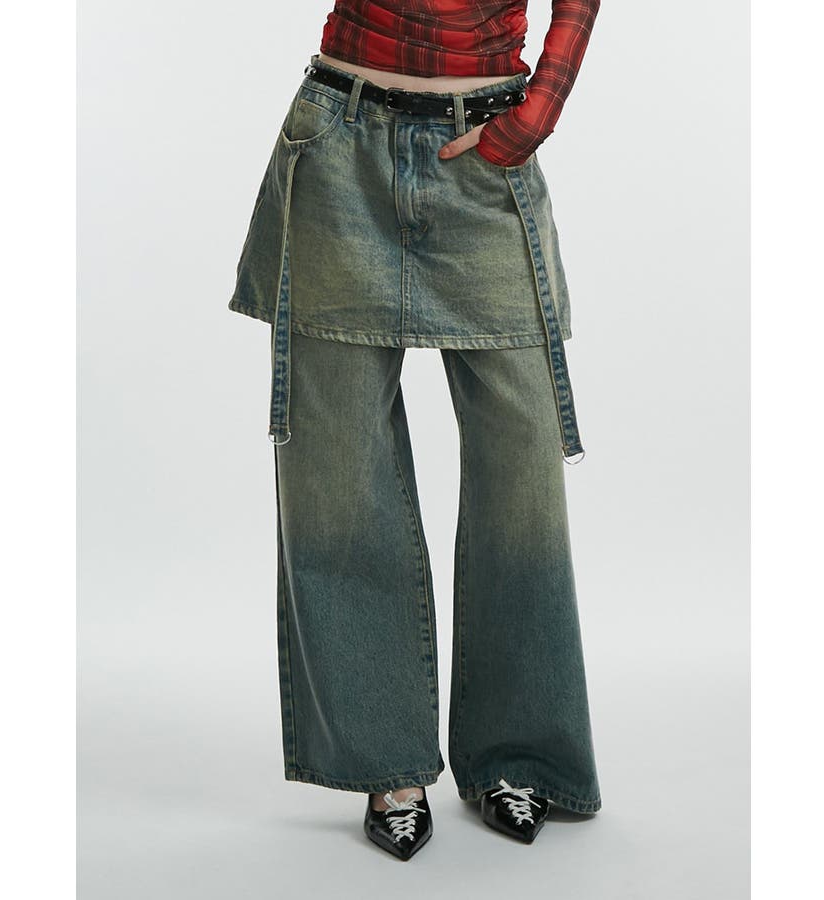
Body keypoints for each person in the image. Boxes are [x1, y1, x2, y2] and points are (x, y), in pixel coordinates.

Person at [227, 0, 603, 860]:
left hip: (485, 144)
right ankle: (387, 762)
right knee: (339, 474)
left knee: (521, 470)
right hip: (340, 140)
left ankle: (518, 753)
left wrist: (540, 109)